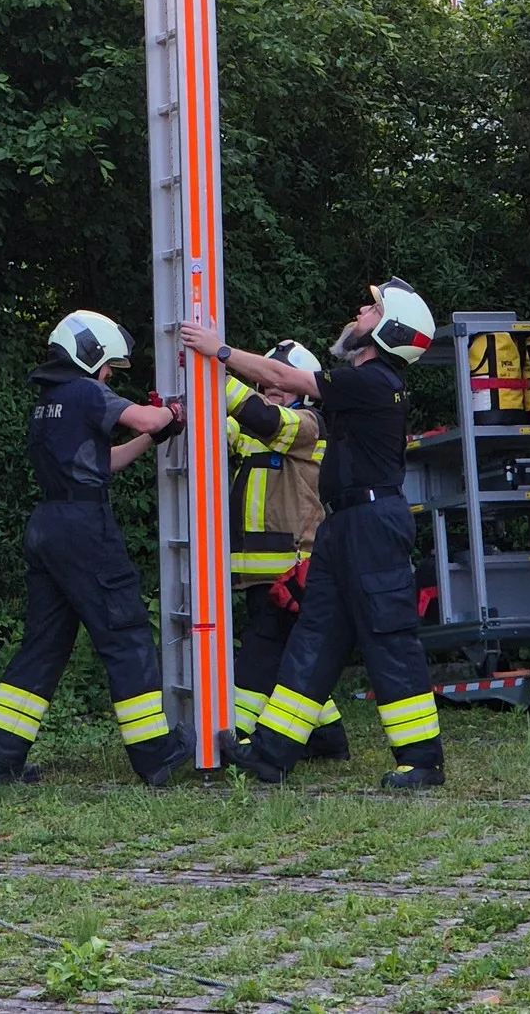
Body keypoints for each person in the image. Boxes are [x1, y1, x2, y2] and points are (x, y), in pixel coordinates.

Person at [183, 278, 443, 791]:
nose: (360, 309)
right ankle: (272, 753)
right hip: (344, 524)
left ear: (388, 330)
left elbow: (284, 376)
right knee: (314, 637)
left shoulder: (371, 381)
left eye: (371, 309)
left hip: (370, 524)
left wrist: (219, 352)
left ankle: (423, 761)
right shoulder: (362, 382)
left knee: (388, 639)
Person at [0, 310, 196, 789]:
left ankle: (0, 760)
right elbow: (146, 414)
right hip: (83, 527)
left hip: (48, 527)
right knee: (126, 635)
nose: (110, 375)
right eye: (109, 367)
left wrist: (149, 438)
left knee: (42, 646)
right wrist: (171, 416)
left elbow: (104, 461)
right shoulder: (85, 390)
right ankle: (156, 755)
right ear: (91, 354)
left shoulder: (49, 401)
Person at [226, 342, 349, 761]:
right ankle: (328, 735)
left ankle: (237, 731)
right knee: (289, 654)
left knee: (264, 646)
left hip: (294, 565)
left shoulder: (309, 423)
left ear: (304, 391)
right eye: (264, 381)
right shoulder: (252, 428)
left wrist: (215, 374)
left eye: (280, 382)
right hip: (256, 567)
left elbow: (265, 419)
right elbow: (228, 430)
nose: (269, 388)